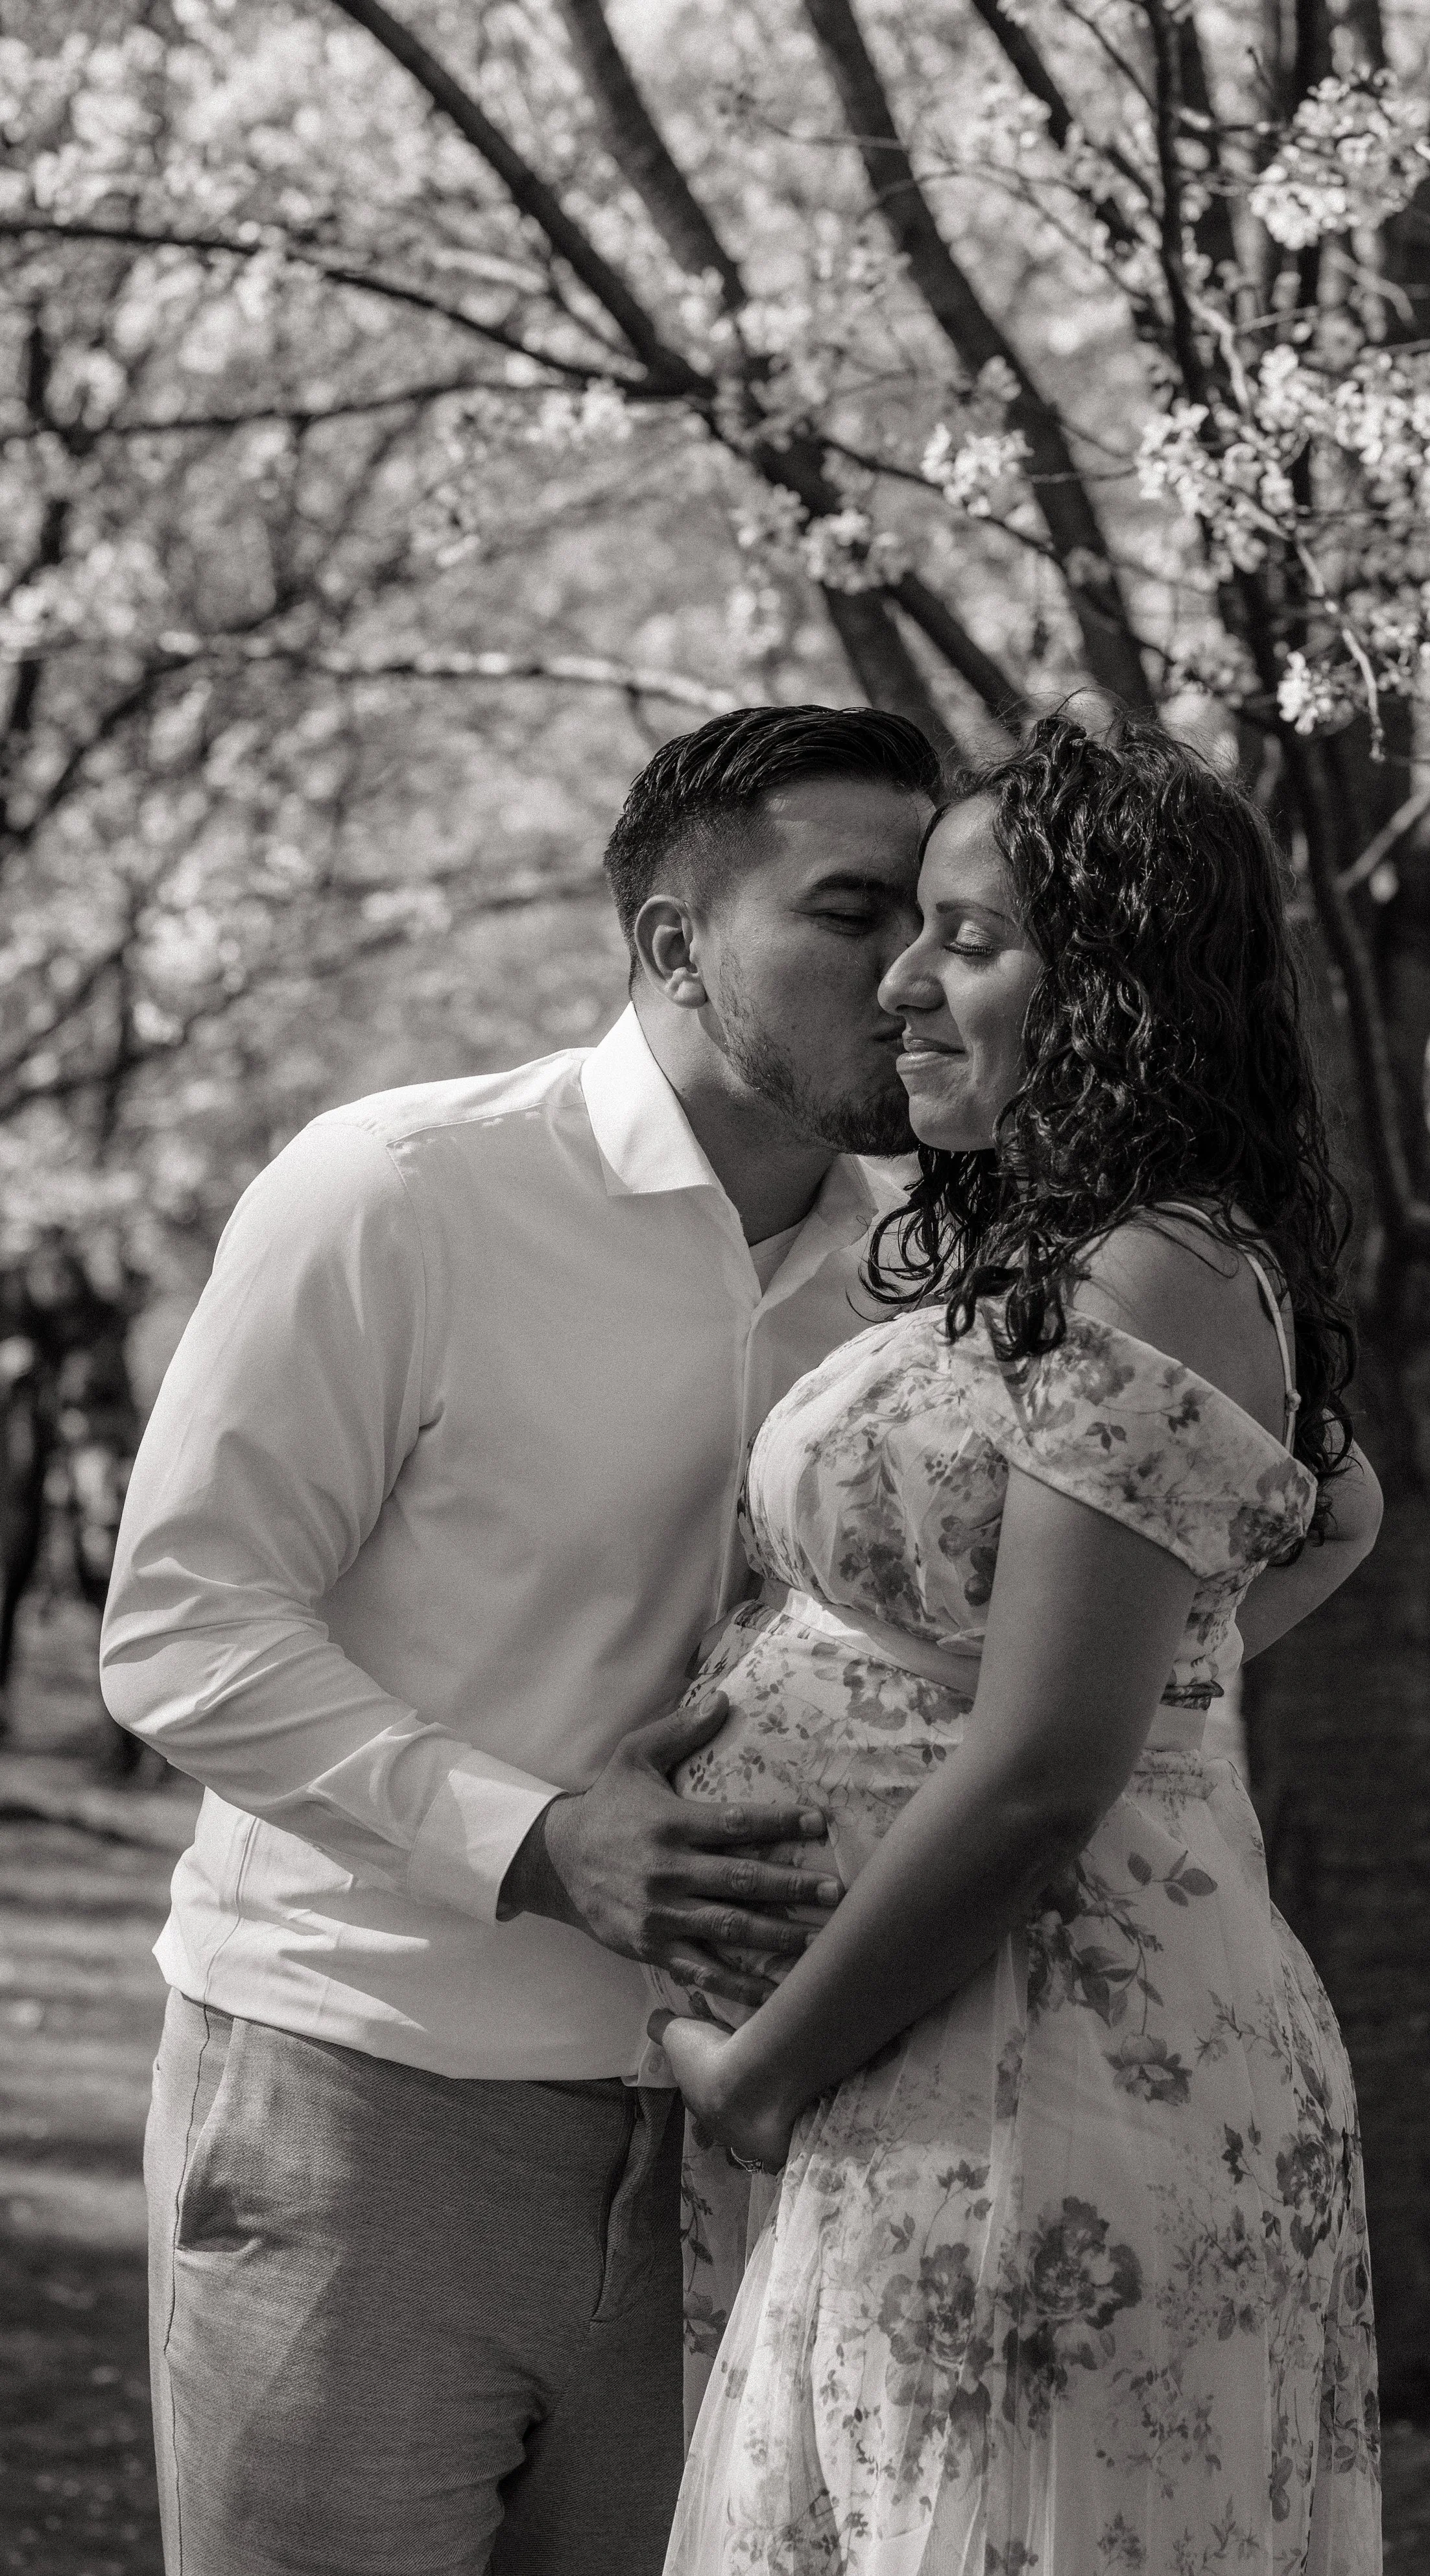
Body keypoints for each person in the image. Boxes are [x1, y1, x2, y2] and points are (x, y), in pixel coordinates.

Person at [99, 704, 942, 2576]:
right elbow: (182, 1622)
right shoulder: (399, 1189)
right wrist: (536, 1840)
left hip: (770, 2133)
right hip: (369, 2104)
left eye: (939, 914)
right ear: (666, 943)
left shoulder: (932, 1278)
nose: (910, 971)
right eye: (851, 909)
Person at [650, 712, 1386, 2574]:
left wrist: (758, 2071)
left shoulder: (1153, 1270)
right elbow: (1331, 1510)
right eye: (906, 927)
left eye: (968, 940)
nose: (902, 979)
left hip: (1046, 2072)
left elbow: (1050, 1765)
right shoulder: (1056, 1258)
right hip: (955, 2053)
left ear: (1117, 985)